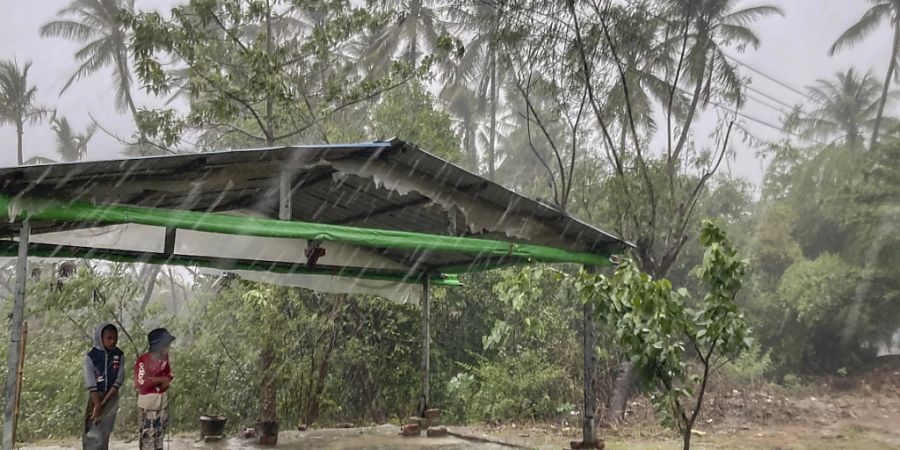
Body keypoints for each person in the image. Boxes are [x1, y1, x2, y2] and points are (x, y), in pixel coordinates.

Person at [83, 323, 124, 450]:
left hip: (111, 397)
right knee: (92, 428)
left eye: (115, 338)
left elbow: (119, 379)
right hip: (94, 396)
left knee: (105, 430)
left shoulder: (119, 355)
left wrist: (103, 403)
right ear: (100, 338)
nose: (113, 341)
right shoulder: (91, 357)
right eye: (109, 338)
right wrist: (97, 404)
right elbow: (91, 384)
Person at [134, 328, 175, 450]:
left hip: (162, 402)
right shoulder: (143, 361)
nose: (168, 347)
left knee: (159, 435)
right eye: (166, 344)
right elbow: (140, 383)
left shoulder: (164, 358)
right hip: (148, 404)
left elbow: (168, 373)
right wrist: (159, 380)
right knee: (148, 437)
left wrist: (167, 380)